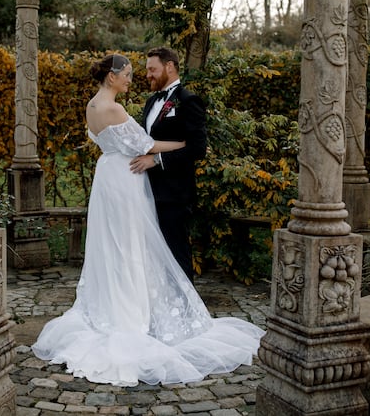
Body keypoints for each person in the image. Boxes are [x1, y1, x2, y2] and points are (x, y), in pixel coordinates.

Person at [31, 53, 263, 387]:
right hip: (125, 181)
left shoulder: (94, 106)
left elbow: (173, 146)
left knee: (115, 247)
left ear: (169, 67)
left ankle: (127, 308)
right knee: (128, 247)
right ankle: (133, 314)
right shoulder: (119, 107)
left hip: (111, 177)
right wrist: (176, 145)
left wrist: (173, 151)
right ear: (112, 76)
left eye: (147, 70)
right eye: (127, 74)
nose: (135, 78)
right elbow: (146, 143)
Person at [130, 47, 207, 282]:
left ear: (170, 67)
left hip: (175, 194)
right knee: (156, 256)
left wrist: (156, 159)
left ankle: (187, 311)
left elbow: (197, 148)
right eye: (147, 71)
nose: (148, 75)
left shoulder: (188, 100)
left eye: (152, 69)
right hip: (148, 191)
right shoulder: (152, 101)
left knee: (177, 253)